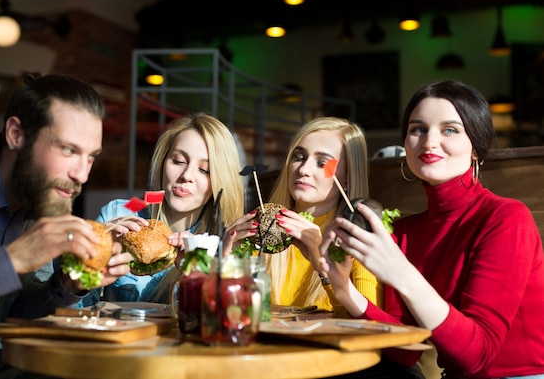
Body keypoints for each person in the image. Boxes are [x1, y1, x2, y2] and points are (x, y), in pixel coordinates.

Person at [314, 80, 544, 378]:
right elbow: (405, 351)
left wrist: (401, 272)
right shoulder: (404, 230)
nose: (428, 142)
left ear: (476, 147)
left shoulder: (506, 218)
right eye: (417, 129)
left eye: (449, 129)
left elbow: (478, 355)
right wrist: (344, 290)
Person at [0, 71, 132, 378]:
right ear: (16, 134)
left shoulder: (44, 204)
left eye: (91, 157)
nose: (82, 175)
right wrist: (12, 260)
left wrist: (67, 285)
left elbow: (15, 316)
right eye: (69, 150)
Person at [83, 111, 245, 305]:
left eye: (204, 170)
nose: (187, 175)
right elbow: (76, 309)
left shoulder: (224, 245)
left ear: (221, 180)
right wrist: (92, 255)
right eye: (178, 161)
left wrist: (206, 279)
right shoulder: (119, 213)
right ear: (163, 162)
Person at [226, 117, 382, 315]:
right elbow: (234, 312)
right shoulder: (262, 228)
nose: (303, 170)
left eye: (322, 163)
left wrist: (325, 268)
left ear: (348, 178)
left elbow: (371, 324)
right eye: (299, 157)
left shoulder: (359, 237)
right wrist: (225, 262)